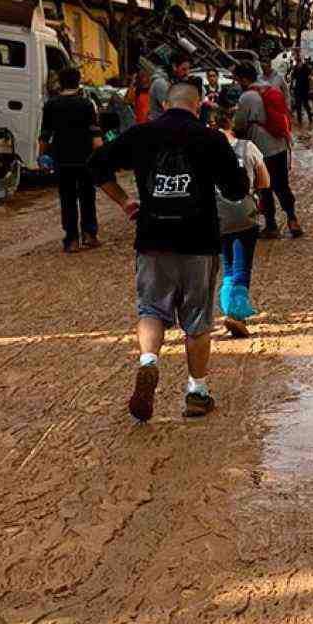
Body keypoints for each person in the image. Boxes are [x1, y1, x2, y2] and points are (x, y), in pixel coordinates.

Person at [91, 82, 250, 421]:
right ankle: (197, 392)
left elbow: (95, 165)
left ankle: (148, 362)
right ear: (198, 107)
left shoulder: (141, 133)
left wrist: (124, 201)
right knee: (196, 320)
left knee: (150, 310)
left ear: (164, 104)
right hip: (199, 242)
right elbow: (237, 190)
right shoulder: (211, 139)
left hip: (152, 239)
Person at [214, 106, 270, 338]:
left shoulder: (204, 151)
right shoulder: (248, 147)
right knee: (242, 266)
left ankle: (229, 310)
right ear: (231, 124)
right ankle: (236, 315)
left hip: (216, 217)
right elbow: (265, 182)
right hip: (244, 215)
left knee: (227, 267)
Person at [233, 61, 303, 239]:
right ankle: (293, 219)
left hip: (261, 149)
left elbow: (239, 125)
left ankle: (271, 226)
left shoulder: (247, 96)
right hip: (279, 145)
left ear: (243, 79)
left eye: (237, 80)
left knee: (264, 187)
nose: (236, 83)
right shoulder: (271, 89)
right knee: (282, 185)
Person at [40, 68, 103, 253]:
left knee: (67, 198)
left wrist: (41, 156)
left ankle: (72, 240)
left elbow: (45, 134)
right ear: (78, 81)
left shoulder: (51, 104)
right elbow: (95, 134)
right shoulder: (86, 104)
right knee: (87, 196)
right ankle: (90, 235)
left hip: (61, 158)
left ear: (60, 82)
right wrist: (102, 157)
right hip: (85, 158)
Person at [292, 58, 313, 125]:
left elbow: (310, 75)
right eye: (298, 62)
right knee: (298, 105)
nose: (299, 64)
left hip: (305, 90)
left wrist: (311, 89)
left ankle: (310, 118)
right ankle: (299, 120)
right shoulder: (295, 69)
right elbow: (293, 78)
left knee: (306, 104)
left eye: (300, 62)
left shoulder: (306, 68)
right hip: (297, 89)